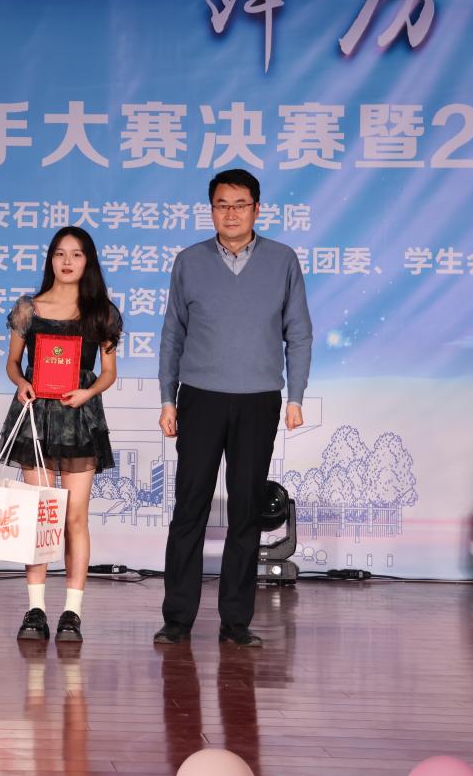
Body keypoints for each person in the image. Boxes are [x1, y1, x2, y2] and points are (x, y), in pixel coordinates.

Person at [154, 168, 312, 647]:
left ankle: (236, 621)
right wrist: (167, 399)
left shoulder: (283, 260)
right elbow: (172, 335)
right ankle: (177, 617)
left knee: (245, 511)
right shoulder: (189, 261)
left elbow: (299, 333)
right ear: (211, 210)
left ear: (257, 209)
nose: (231, 213)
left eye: (240, 204)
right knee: (190, 507)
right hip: (200, 397)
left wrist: (296, 396)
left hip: (259, 400)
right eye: (222, 204)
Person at [0, 227, 122, 643]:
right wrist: (22, 383)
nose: (67, 262)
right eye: (59, 254)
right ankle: (35, 609)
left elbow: (109, 373)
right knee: (39, 516)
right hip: (36, 417)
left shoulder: (101, 313)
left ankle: (72, 611)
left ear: (88, 262)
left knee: (74, 517)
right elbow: (13, 363)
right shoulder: (28, 309)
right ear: (50, 259)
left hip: (79, 417)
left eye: (76, 254)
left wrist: (87, 391)